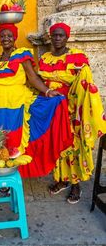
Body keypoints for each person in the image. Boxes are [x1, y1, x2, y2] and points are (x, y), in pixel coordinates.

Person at [0, 23, 73, 178]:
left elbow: (32, 78)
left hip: (15, 105)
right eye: (2, 36)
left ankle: (12, 172)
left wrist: (48, 91)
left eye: (9, 36)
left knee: (13, 139)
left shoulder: (22, 55)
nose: (6, 39)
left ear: (15, 38)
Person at [38, 22, 106, 204]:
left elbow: (85, 82)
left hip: (71, 110)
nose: (58, 38)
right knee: (57, 145)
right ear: (50, 37)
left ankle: (75, 185)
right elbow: (39, 81)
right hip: (51, 110)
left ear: (67, 37)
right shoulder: (45, 58)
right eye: (55, 35)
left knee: (72, 146)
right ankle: (61, 179)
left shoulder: (77, 58)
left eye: (61, 35)